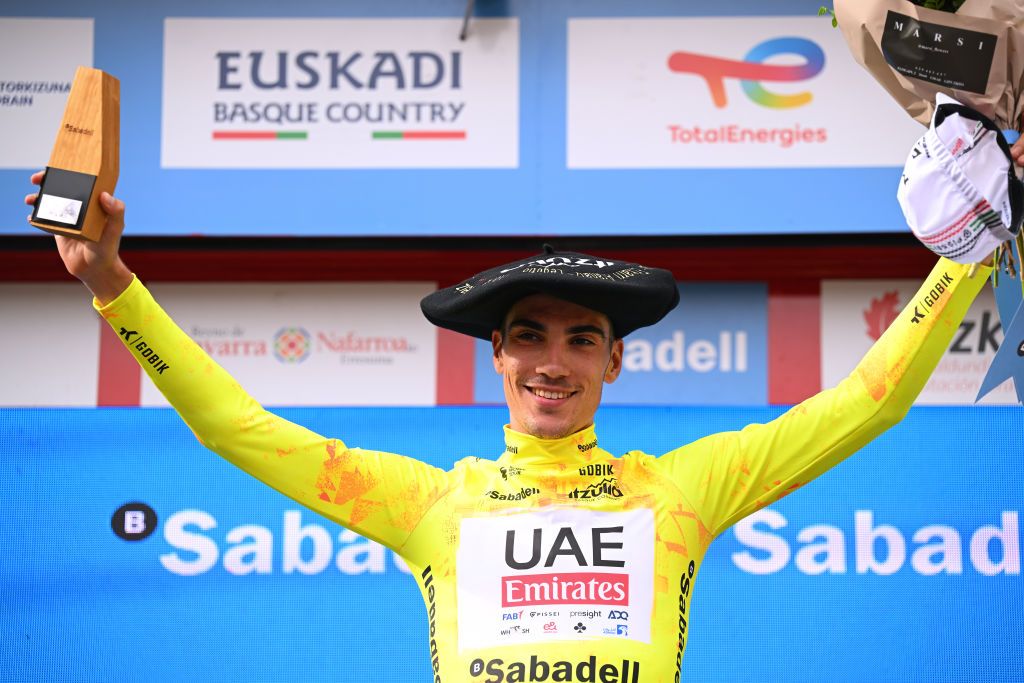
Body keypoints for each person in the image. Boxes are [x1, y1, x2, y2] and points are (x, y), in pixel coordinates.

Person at [24, 163, 1008, 682]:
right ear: (495, 355)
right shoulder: (429, 504)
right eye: (527, 337)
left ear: (615, 359)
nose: (551, 361)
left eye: (581, 339)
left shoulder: (678, 489)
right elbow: (234, 423)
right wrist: (112, 282)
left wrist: (967, 247)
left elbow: (866, 399)